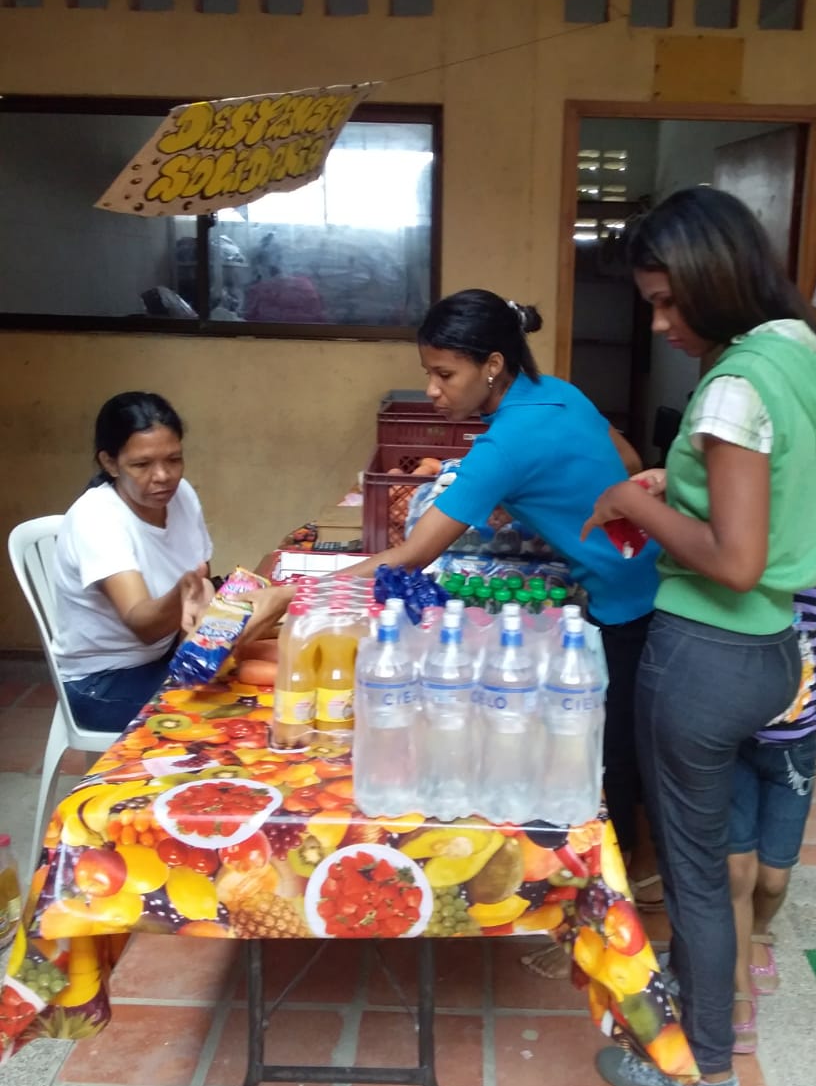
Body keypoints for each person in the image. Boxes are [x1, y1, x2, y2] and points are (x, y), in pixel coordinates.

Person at [581, 188, 816, 1086]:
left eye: (669, 301)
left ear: (716, 279)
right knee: (710, 858)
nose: (661, 324)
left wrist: (632, 503)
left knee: (696, 874)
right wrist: (681, 491)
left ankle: (706, 1065)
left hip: (702, 657)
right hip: (774, 653)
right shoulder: (807, 359)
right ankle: (698, 1010)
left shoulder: (735, 385)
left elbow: (735, 560)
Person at [247, 288, 662, 928]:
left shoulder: (506, 446)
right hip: (648, 571)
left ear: (492, 365)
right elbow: (628, 461)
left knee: (613, 756)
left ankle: (619, 902)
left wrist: (292, 595)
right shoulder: (559, 393)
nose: (433, 391)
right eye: (428, 374)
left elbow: (411, 555)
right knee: (626, 739)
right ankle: (633, 877)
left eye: (444, 374)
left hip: (623, 602)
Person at [729, 565, 816, 1053]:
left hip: (794, 749)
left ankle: (760, 931)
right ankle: (739, 992)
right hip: (732, 744)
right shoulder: (736, 572)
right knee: (736, 873)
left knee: (773, 878)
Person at [53, 392, 213, 734]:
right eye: (142, 465)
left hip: (162, 657)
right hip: (102, 683)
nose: (163, 476)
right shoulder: (96, 517)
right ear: (110, 463)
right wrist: (182, 594)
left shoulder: (182, 495)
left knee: (247, 679)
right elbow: (144, 625)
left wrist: (190, 648)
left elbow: (198, 594)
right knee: (225, 709)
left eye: (174, 459)